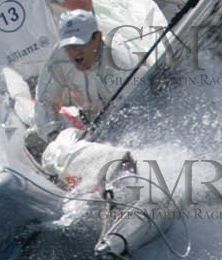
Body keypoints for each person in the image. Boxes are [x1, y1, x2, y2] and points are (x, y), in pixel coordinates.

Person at [31, 10, 143, 189]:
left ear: (97, 38)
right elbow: (44, 102)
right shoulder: (58, 59)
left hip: (128, 129)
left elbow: (140, 113)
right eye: (68, 45)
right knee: (50, 141)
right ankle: (82, 166)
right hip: (88, 126)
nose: (73, 51)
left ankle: (119, 168)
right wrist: (54, 137)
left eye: (79, 44)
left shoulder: (122, 63)